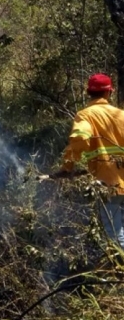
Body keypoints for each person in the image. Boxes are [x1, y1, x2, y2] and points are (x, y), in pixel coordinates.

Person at [60, 73, 124, 248]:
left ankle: (119, 271)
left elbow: (80, 139)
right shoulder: (121, 115)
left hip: (109, 183)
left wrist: (68, 166)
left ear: (89, 92)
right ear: (109, 92)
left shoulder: (85, 115)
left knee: (114, 234)